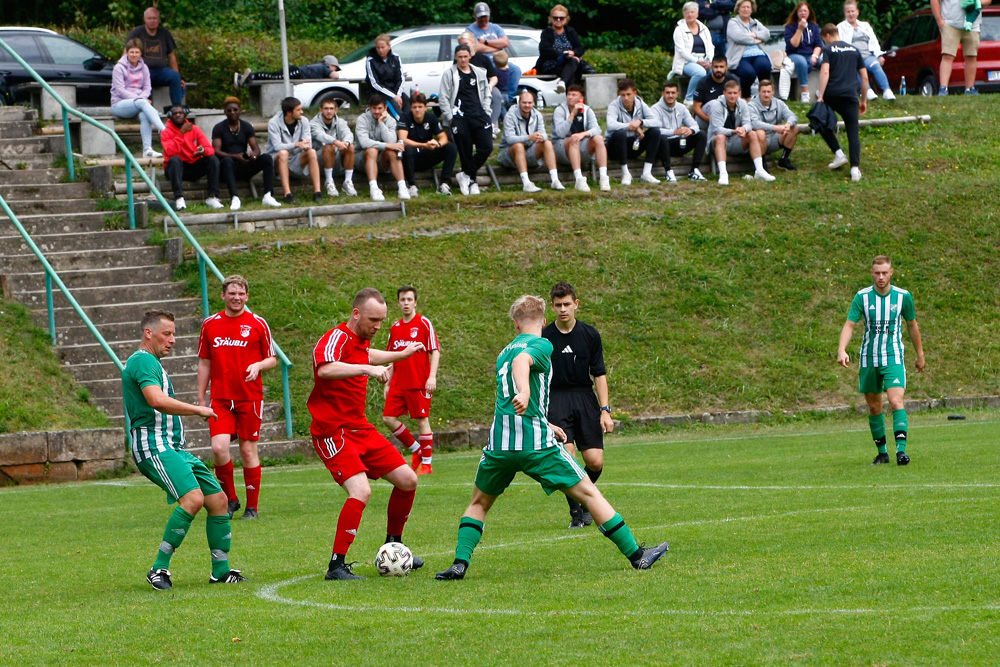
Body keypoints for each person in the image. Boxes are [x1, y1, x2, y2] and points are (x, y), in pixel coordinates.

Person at [434, 295, 669, 580]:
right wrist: (525, 391)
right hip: (535, 445)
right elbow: (524, 363)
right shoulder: (542, 343)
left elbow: (512, 380)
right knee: (589, 493)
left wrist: (545, 420)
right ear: (544, 322)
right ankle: (637, 555)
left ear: (516, 323)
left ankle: (460, 564)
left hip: (501, 445)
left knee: (479, 503)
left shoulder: (504, 351)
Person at [121, 309, 247, 590]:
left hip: (173, 448)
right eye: (167, 334)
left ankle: (221, 570)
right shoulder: (142, 361)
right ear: (148, 333)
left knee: (219, 501)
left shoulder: (152, 362)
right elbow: (156, 400)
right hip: (153, 446)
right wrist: (198, 409)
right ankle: (158, 569)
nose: (173, 340)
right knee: (193, 500)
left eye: (174, 334)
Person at [308, 288, 427, 580]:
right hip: (332, 431)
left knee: (408, 480)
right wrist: (367, 369)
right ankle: (336, 565)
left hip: (360, 427)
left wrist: (402, 354)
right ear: (356, 313)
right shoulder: (334, 337)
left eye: (382, 321)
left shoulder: (360, 342)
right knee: (361, 491)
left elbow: (368, 354)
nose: (378, 326)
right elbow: (325, 369)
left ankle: (393, 545)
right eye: (373, 320)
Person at [196, 275, 275, 520]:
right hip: (221, 399)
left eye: (241, 293)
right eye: (232, 293)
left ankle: (252, 507)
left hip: (249, 397)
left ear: (247, 296)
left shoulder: (258, 324)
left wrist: (258, 366)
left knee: (248, 451)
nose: (236, 297)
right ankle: (230, 499)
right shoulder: (210, 324)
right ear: (223, 296)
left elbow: (272, 358)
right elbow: (204, 362)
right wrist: (201, 398)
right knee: (219, 448)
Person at [837, 256, 925, 466]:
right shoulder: (863, 297)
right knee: (875, 408)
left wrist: (920, 354)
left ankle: (901, 452)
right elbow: (850, 324)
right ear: (872, 273)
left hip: (893, 356)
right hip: (869, 359)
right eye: (877, 273)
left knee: (896, 401)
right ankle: (882, 453)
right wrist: (842, 349)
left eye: (884, 272)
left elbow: (912, 325)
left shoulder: (903, 297)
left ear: (891, 273)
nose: (881, 277)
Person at [541, 282, 615, 530]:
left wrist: (605, 410)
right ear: (552, 306)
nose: (563, 309)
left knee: (594, 462)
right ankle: (577, 514)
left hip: (585, 398)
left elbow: (600, 373)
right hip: (556, 399)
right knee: (568, 458)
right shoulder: (544, 337)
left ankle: (583, 503)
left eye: (567, 304)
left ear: (576, 304)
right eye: (558, 305)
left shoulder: (590, 334)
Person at [382, 286, 441, 475]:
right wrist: (388, 383)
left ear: (415, 302)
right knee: (388, 418)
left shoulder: (423, 323)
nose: (406, 303)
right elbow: (392, 356)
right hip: (399, 382)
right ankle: (416, 450)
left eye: (409, 299)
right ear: (398, 303)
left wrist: (432, 376)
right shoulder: (395, 327)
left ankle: (427, 465)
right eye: (402, 299)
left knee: (422, 420)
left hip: (418, 381)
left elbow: (435, 350)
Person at [439, 44, 493, 196]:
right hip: (459, 117)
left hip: (479, 114)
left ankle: (466, 174)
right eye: (460, 57)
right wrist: (450, 118)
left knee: (486, 146)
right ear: (456, 57)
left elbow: (486, 93)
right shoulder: (449, 74)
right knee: (465, 150)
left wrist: (487, 111)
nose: (463, 60)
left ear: (470, 56)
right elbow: (443, 97)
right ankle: (472, 181)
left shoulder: (480, 73)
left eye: (465, 56)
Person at [816, 23, 868, 182]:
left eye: (824, 40)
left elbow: (825, 71)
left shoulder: (827, 49)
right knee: (853, 131)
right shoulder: (854, 50)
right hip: (851, 96)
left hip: (832, 94)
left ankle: (838, 153)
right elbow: (864, 77)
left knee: (819, 119)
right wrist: (864, 99)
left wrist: (821, 96)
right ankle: (854, 170)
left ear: (827, 36)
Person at [212, 97, 282, 210]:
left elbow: (256, 148)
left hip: (243, 164)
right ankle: (235, 198)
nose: (232, 112)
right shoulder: (219, 128)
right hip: (226, 168)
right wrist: (234, 156)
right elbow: (216, 150)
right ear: (225, 112)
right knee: (227, 161)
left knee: (266, 158)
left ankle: (268, 195)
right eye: (229, 110)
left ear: (240, 110)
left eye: (235, 109)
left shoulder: (246, 126)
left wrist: (253, 155)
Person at [499, 89, 566, 193]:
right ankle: (526, 183)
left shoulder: (537, 115)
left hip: (529, 151)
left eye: (530, 103)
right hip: (508, 154)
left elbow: (544, 134)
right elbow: (509, 139)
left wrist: (540, 137)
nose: (527, 105)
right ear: (519, 102)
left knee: (547, 143)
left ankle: (555, 180)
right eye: (524, 102)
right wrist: (529, 137)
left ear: (533, 103)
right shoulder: (510, 115)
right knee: (518, 146)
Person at [709, 80, 775, 185]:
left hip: (736, 139)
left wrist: (744, 129)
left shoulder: (743, 104)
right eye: (729, 93)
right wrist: (734, 131)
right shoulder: (717, 105)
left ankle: (759, 170)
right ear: (724, 93)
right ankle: (723, 173)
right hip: (718, 142)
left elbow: (748, 123)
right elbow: (717, 129)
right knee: (720, 137)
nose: (732, 96)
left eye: (735, 93)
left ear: (739, 93)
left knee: (752, 134)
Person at [160, 105, 222, 211]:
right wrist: (181, 134)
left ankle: (212, 197)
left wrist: (203, 151)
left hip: (193, 165)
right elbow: (171, 152)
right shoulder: (166, 132)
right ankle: (179, 198)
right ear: (170, 116)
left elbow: (210, 149)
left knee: (213, 159)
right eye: (175, 113)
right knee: (175, 160)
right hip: (175, 168)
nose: (178, 115)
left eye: (180, 113)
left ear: (185, 114)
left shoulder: (195, 129)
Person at [111, 39, 166, 159]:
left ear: (140, 53)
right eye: (131, 52)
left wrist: (142, 99)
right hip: (119, 104)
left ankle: (147, 150)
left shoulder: (144, 67)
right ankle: (163, 130)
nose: (134, 55)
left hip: (139, 103)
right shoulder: (119, 68)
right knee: (142, 104)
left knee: (145, 115)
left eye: (137, 52)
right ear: (127, 52)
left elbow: (147, 87)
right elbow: (120, 90)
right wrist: (140, 99)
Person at [551, 84, 610, 192]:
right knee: (573, 138)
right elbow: (560, 133)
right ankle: (579, 179)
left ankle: (603, 177)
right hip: (561, 148)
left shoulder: (587, 110)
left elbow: (597, 129)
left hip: (581, 145)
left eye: (574, 95)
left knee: (598, 139)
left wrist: (583, 134)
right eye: (568, 94)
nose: (570, 97)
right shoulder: (560, 110)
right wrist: (572, 114)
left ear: (581, 98)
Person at [265, 96, 323, 204]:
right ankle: (287, 194)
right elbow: (277, 146)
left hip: (296, 158)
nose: (302, 112)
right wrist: (297, 144)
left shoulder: (304, 121)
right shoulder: (274, 122)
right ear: (289, 112)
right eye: (298, 110)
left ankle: (317, 192)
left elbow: (307, 142)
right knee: (283, 153)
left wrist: (305, 146)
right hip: (277, 160)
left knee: (312, 152)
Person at [398, 92, 457, 196]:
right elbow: (403, 139)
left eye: (420, 107)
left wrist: (437, 144)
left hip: (427, 154)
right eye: (414, 107)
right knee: (406, 149)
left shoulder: (431, 117)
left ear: (425, 107)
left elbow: (443, 137)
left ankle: (444, 184)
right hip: (410, 157)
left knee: (451, 147)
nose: (417, 110)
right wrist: (423, 145)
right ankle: (412, 186)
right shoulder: (405, 117)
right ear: (411, 108)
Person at [606, 78, 662, 186]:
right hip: (615, 147)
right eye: (622, 95)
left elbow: (657, 122)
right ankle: (625, 173)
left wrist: (640, 122)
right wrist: (633, 126)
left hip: (633, 144)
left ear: (635, 93)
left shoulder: (640, 103)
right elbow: (610, 125)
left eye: (628, 94)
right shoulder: (614, 105)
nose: (626, 98)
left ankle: (646, 172)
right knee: (620, 133)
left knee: (655, 132)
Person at [126, 7, 185, 108]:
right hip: (141, 70)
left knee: (175, 77)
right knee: (141, 82)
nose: (152, 21)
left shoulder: (165, 33)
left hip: (160, 71)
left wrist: (179, 76)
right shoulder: (136, 33)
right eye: (149, 18)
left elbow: (172, 57)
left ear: (158, 19)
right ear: (144, 19)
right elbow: (126, 54)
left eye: (154, 18)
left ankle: (177, 108)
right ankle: (142, 109)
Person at [355, 94, 410, 202]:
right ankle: (374, 188)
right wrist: (387, 145)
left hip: (381, 160)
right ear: (370, 107)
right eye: (374, 108)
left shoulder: (390, 120)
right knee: (372, 150)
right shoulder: (362, 119)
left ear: (385, 108)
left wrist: (381, 123)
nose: (376, 111)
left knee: (392, 152)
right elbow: (364, 142)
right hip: (361, 158)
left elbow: (392, 141)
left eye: (379, 108)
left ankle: (402, 187)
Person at [651, 81, 709, 183]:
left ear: (677, 94)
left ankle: (694, 170)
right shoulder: (655, 109)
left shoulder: (681, 108)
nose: (670, 95)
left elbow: (695, 125)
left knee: (701, 135)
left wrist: (690, 130)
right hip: (661, 146)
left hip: (678, 143)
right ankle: (668, 171)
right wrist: (674, 132)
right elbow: (654, 130)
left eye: (673, 93)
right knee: (661, 137)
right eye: (667, 93)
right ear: (662, 94)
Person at [931, 0, 992, 95]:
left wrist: (977, 3)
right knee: (947, 56)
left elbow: (987, 0)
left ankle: (970, 89)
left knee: (971, 56)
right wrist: (939, 20)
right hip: (950, 24)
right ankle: (943, 88)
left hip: (973, 24)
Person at [837, 1, 895, 100]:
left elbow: (874, 42)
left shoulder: (865, 25)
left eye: (852, 11)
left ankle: (887, 90)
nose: (851, 14)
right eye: (848, 12)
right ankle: (867, 91)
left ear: (857, 12)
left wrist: (879, 55)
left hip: (868, 55)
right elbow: (840, 44)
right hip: (852, 57)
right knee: (854, 67)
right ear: (845, 13)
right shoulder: (840, 27)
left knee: (876, 65)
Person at [467, 2, 522, 100]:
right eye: (480, 17)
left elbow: (505, 42)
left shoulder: (495, 27)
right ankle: (495, 98)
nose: (483, 19)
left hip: (501, 61)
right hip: (485, 63)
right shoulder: (470, 30)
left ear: (489, 14)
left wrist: (486, 42)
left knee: (516, 70)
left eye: (485, 16)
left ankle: (508, 99)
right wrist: (496, 47)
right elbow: (475, 48)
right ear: (475, 15)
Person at [534, 4, 589, 92]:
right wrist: (564, 54)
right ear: (551, 18)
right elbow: (544, 50)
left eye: (561, 17)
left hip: (569, 63)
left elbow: (580, 48)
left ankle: (563, 83)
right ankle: (571, 100)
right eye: (555, 17)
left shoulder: (571, 31)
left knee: (572, 64)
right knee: (572, 68)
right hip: (552, 64)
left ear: (566, 19)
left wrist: (573, 53)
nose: (558, 20)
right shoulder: (547, 32)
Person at [310, 97, 358, 197]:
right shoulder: (313, 123)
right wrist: (336, 142)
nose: (329, 111)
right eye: (326, 108)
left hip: (337, 156)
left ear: (336, 110)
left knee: (350, 147)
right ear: (321, 110)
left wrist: (346, 143)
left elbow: (348, 134)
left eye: (331, 108)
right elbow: (320, 135)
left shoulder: (340, 121)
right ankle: (329, 182)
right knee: (329, 147)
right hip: (319, 159)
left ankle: (348, 182)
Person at [457, 32, 505, 131]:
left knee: (496, 94)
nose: (463, 47)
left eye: (466, 44)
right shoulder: (459, 60)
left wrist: (490, 86)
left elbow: (494, 77)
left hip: (484, 88)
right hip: (466, 88)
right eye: (461, 45)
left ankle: (492, 124)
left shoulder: (483, 59)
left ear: (473, 43)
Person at [748, 79, 799, 171]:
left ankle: (784, 159)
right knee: (760, 132)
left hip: (775, 138)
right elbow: (754, 123)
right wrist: (775, 127)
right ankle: (762, 164)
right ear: (759, 92)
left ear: (773, 92)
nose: (766, 94)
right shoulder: (751, 105)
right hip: (759, 140)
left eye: (768, 91)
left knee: (794, 128)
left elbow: (792, 116)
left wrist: (788, 124)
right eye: (764, 91)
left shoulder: (779, 103)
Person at [726, 0, 773, 100]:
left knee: (765, 67)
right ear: (738, 9)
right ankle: (746, 97)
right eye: (743, 7)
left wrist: (754, 34)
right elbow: (739, 37)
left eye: (748, 7)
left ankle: (764, 95)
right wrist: (756, 40)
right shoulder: (733, 22)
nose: (746, 9)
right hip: (740, 56)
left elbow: (767, 33)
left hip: (758, 53)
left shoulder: (755, 22)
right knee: (748, 73)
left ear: (752, 9)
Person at [673, 2, 715, 106]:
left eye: (692, 12)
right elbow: (681, 51)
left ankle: (708, 97)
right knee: (700, 73)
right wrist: (697, 61)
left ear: (697, 14)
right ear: (684, 15)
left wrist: (709, 59)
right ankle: (689, 99)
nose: (690, 15)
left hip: (704, 59)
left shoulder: (704, 29)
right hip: (686, 61)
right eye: (687, 13)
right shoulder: (679, 30)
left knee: (714, 72)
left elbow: (710, 46)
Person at [784, 2, 823, 103]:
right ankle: (805, 93)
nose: (803, 13)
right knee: (801, 62)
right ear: (796, 12)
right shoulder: (790, 27)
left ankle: (822, 89)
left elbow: (818, 45)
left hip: (810, 54)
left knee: (825, 61)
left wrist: (814, 56)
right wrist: (800, 29)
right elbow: (792, 45)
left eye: (805, 11)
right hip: (795, 54)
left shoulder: (814, 27)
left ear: (809, 12)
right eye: (800, 11)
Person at [692, 55, 740, 131]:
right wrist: (709, 119)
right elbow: (696, 107)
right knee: (716, 103)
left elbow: (739, 99)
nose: (718, 69)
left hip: (725, 116)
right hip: (705, 119)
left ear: (726, 68)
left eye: (721, 67)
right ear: (711, 67)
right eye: (716, 67)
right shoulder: (703, 82)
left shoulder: (732, 80)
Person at [235, 55, 341, 89]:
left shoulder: (321, 67)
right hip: (296, 72)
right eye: (335, 68)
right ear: (331, 64)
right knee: (273, 77)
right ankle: (251, 76)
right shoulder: (324, 67)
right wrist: (334, 73)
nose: (335, 70)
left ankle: (243, 78)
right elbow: (335, 76)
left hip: (295, 72)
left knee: (273, 76)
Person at [366, 34, 407, 118]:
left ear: (389, 47)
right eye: (378, 48)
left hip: (396, 91)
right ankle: (402, 125)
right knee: (395, 108)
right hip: (380, 93)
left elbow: (400, 78)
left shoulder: (396, 58)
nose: (380, 50)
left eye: (383, 47)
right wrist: (393, 96)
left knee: (407, 102)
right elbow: (375, 83)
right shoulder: (370, 60)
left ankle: (410, 125)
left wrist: (398, 95)